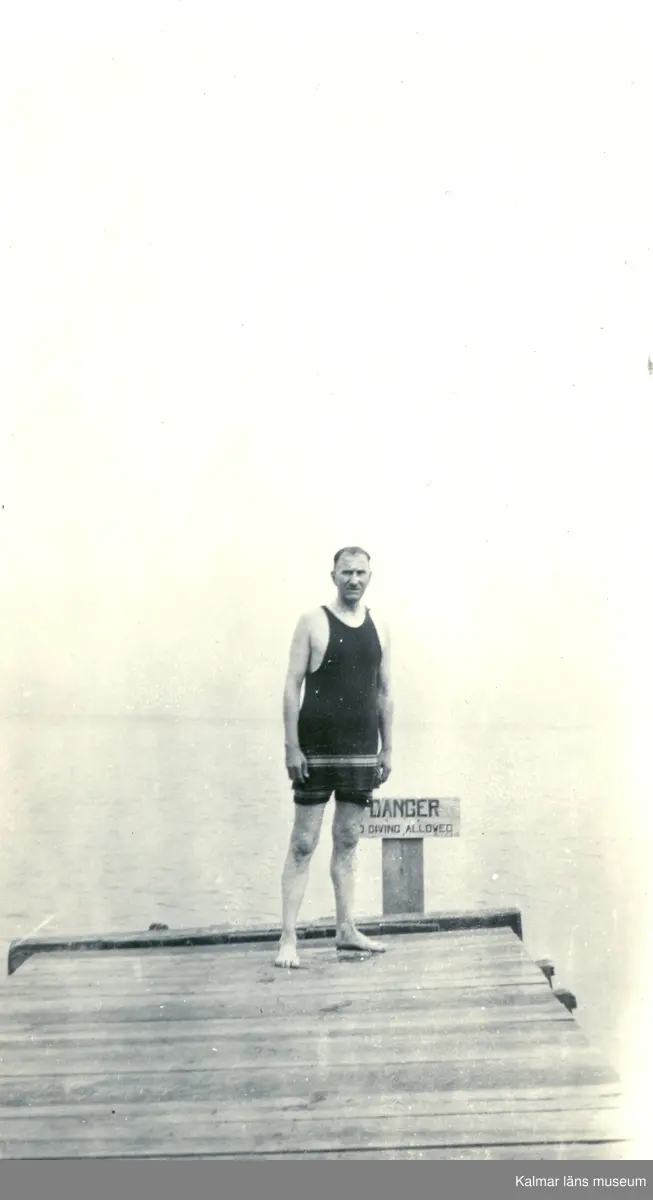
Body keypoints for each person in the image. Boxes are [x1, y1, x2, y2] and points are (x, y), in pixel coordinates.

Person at [275, 546, 393, 968]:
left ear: (369, 576)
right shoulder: (312, 621)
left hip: (361, 752)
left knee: (348, 840)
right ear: (333, 576)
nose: (353, 579)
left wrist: (387, 748)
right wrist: (292, 746)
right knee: (303, 842)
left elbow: (384, 692)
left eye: (360, 572)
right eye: (346, 572)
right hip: (317, 749)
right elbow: (292, 685)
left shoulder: (380, 627)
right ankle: (288, 938)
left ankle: (346, 929)